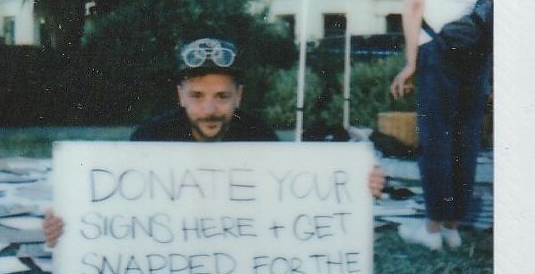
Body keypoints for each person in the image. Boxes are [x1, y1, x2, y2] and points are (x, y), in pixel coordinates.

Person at [44, 35, 384, 246]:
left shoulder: (260, 138)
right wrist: (67, 226)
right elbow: (116, 215)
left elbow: (295, 209)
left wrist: (355, 189)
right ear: (180, 95)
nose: (210, 109)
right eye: (197, 96)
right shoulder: (149, 140)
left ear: (239, 96)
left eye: (222, 96)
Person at [390, 0, 493, 251]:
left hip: (437, 48)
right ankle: (453, 227)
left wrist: (410, 62)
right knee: (466, 138)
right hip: (476, 49)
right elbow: (491, 0)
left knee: (436, 138)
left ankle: (432, 229)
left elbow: (415, 2)